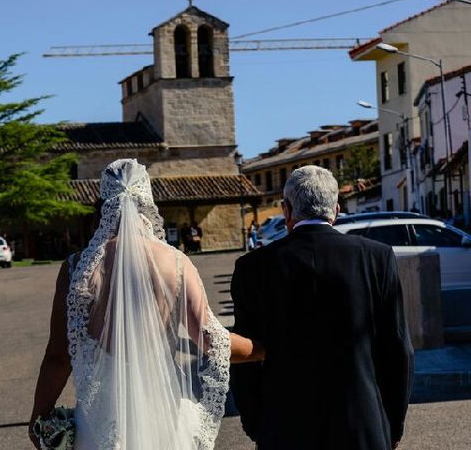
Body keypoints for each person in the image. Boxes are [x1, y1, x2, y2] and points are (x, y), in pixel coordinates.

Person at [29, 159, 262, 450]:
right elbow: (209, 338)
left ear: (105, 204)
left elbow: (58, 355)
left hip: (101, 422)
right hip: (163, 413)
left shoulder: (77, 268)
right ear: (147, 201)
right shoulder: (175, 261)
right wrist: (264, 349)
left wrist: (39, 414)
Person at [230, 165, 414, 450]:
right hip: (362, 423)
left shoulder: (252, 268)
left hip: (283, 425)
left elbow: (246, 355)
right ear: (336, 210)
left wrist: (256, 423)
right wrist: (392, 422)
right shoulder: (377, 258)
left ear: (286, 210)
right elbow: (398, 348)